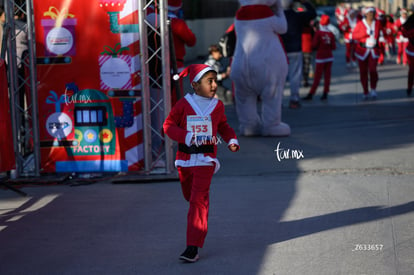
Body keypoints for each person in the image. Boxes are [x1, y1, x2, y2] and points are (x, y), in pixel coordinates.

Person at [163, 64, 239, 263]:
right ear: (195, 85)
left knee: (198, 200)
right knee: (190, 196)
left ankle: (192, 246)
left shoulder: (218, 106)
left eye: (215, 81)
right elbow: (168, 126)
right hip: (185, 159)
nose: (214, 85)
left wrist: (231, 139)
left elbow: (223, 126)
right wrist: (185, 136)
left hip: (206, 160)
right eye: (209, 81)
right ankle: (199, 209)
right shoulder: (184, 104)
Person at [230, 0, 291, 136]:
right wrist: (279, 10)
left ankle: (248, 126)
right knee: (271, 94)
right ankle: (271, 125)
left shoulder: (239, 15)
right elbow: (283, 28)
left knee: (244, 97)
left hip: (240, 64)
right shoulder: (265, 13)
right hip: (266, 65)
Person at [281, 0, 316, 109]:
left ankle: (278, 101)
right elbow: (312, 14)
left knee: (279, 77)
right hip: (295, 48)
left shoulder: (277, 16)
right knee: (295, 75)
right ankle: (294, 99)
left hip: (280, 49)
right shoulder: (297, 15)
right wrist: (305, 2)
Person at [352, 7, 384, 100]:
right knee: (363, 72)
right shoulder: (360, 24)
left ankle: (373, 89)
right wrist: (365, 34)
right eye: (369, 13)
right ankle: (365, 90)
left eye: (373, 13)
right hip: (362, 51)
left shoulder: (377, 23)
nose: (371, 15)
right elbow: (354, 36)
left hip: (374, 50)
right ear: (365, 14)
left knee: (373, 71)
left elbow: (382, 31)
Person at [303, 14, 336, 101]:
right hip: (329, 56)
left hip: (321, 57)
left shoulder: (318, 33)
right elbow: (334, 47)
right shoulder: (331, 33)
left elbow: (314, 45)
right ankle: (325, 93)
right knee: (327, 76)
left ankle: (311, 94)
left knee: (317, 77)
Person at [401, 12, 414, 96]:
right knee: (412, 70)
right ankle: (409, 87)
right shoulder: (412, 19)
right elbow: (404, 32)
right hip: (412, 49)